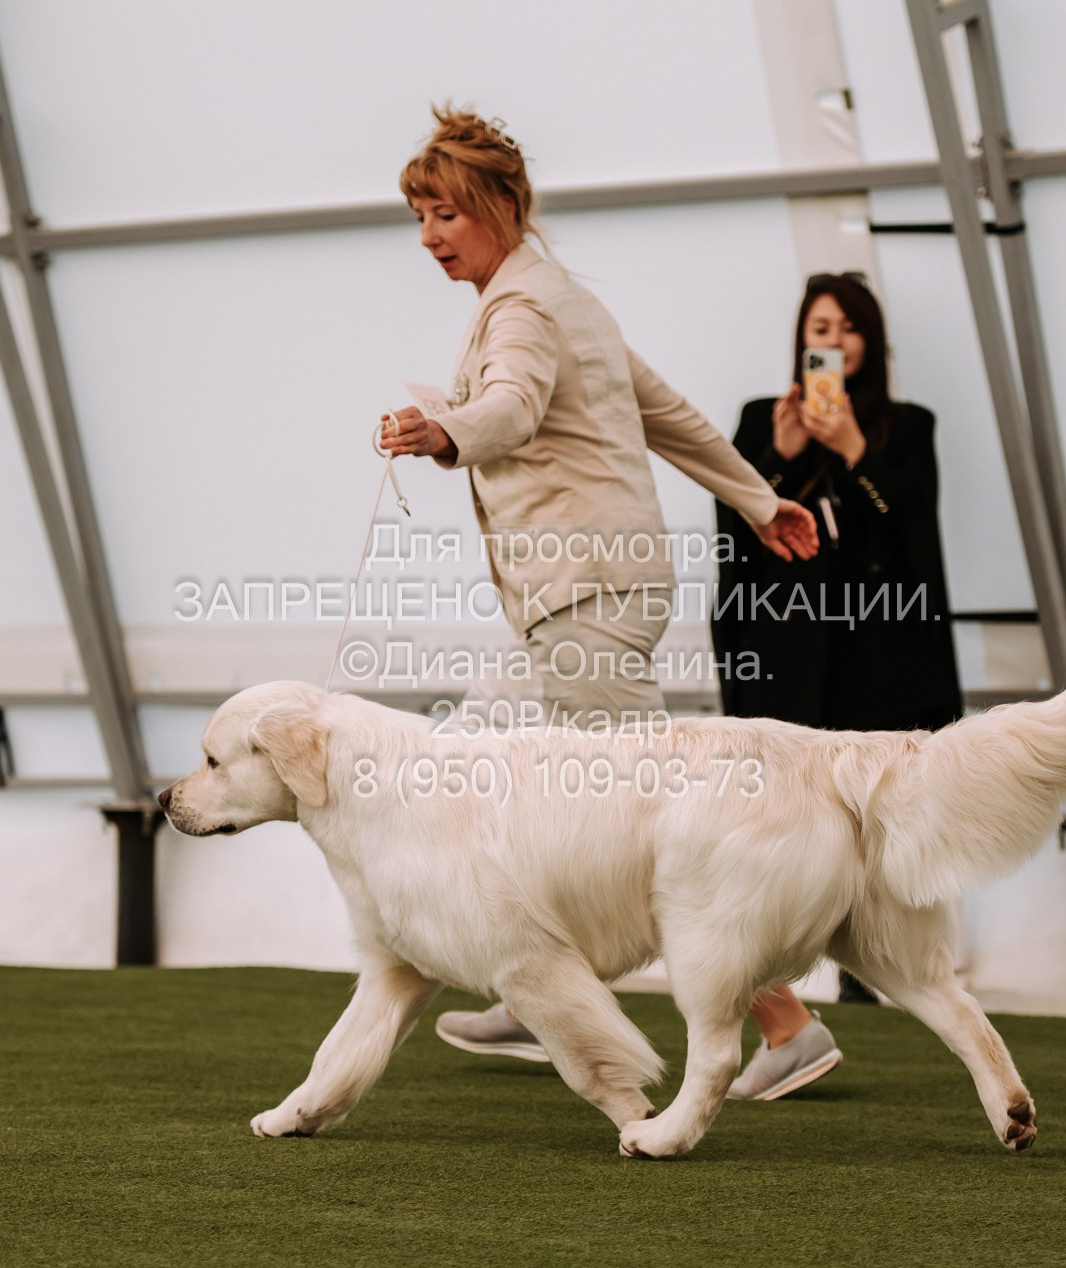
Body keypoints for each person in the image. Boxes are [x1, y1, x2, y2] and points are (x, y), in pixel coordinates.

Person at [376, 105, 827, 1095]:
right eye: (419, 217)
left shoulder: (523, 311)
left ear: (500, 205)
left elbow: (510, 407)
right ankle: (538, 984)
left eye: (443, 214)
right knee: (478, 773)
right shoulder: (562, 296)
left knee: (652, 820)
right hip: (581, 599)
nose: (428, 238)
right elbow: (664, 413)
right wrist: (756, 499)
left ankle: (785, 1020)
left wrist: (445, 432)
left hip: (585, 596)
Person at [708, 271, 964, 1097]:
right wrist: (776, 461)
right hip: (788, 659)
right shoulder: (760, 422)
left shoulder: (904, 428)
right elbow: (735, 533)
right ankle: (794, 971)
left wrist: (856, 449)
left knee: (884, 825)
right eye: (820, 326)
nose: (833, 341)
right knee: (784, 825)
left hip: (876, 661)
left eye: (847, 328)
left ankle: (889, 964)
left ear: (869, 344)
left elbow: (913, 528)